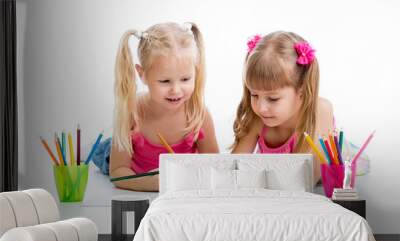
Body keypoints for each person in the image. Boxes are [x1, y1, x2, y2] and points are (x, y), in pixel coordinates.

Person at [110, 22, 219, 191]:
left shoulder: (199, 114)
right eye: (165, 81)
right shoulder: (131, 113)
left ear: (195, 72)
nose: (176, 90)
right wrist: (152, 183)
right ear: (142, 74)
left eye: (185, 79)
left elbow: (215, 167)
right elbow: (117, 172)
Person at [231, 31, 334, 182]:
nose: (261, 108)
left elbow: (308, 178)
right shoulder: (257, 119)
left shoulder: (320, 110)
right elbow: (233, 167)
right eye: (254, 95)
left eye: (273, 99)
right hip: (278, 190)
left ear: (302, 90)